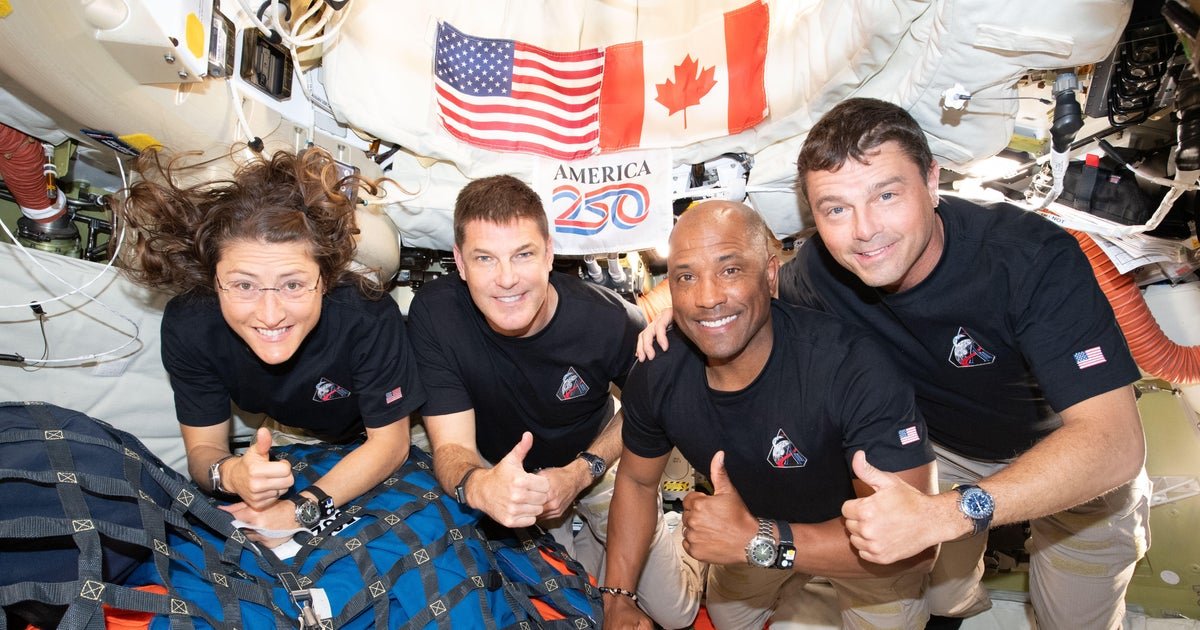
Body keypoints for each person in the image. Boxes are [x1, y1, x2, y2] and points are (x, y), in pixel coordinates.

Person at [641, 98, 1150, 629]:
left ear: (931, 181)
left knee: (1076, 620)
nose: (864, 230)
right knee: (941, 597)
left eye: (886, 195)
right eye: (836, 209)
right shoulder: (819, 272)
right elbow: (745, 289)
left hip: (1069, 453)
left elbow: (1113, 441)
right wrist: (677, 312)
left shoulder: (1027, 257)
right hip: (943, 452)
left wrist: (948, 514)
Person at [606, 200, 937, 630]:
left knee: (931, 603)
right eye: (687, 277)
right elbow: (636, 481)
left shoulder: (851, 367)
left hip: (860, 543)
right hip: (752, 526)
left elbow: (915, 549)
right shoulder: (658, 372)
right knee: (729, 619)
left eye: (730, 270)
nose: (707, 298)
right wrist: (617, 597)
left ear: (769, 274)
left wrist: (758, 541)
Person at [405, 175, 703, 629]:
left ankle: (669, 529)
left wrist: (581, 472)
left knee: (676, 615)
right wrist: (482, 487)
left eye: (523, 254)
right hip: (506, 473)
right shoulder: (436, 313)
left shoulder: (608, 319)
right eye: (485, 258)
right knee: (561, 603)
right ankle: (587, 541)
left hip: (595, 459)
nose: (507, 279)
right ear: (460, 263)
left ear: (548, 253)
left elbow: (647, 408)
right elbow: (451, 447)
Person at [119, 146, 425, 544]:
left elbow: (390, 444)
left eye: (293, 284)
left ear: (325, 279)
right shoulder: (190, 325)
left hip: (396, 428)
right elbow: (204, 449)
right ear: (214, 282)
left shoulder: (366, 314)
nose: (270, 314)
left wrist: (299, 511)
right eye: (244, 285)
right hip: (295, 431)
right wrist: (230, 474)